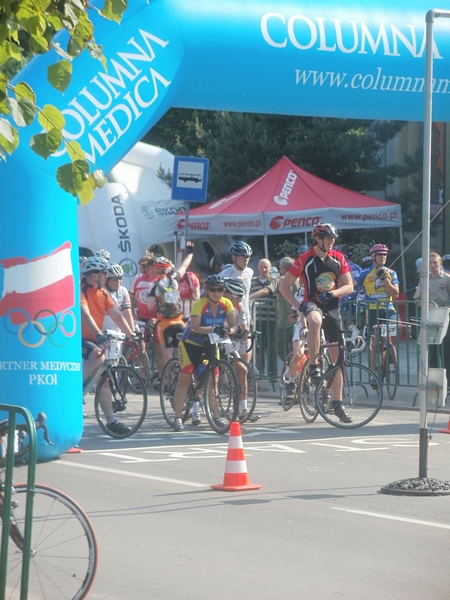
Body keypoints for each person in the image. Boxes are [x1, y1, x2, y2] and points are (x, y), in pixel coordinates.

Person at [279, 223, 354, 423]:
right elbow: (284, 286)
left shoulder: (338, 258)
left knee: (338, 359)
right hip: (312, 304)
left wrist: (333, 293)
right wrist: (298, 306)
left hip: (332, 306)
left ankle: (338, 404)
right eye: (328, 238)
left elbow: (349, 286)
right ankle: (313, 366)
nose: (332, 241)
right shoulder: (305, 259)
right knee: (314, 319)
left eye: (333, 238)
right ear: (318, 239)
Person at [171, 275, 238, 432]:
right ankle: (177, 417)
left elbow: (234, 325)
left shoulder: (226, 303)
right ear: (207, 290)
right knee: (185, 378)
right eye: (212, 290)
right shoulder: (200, 304)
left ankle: (216, 416)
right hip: (191, 343)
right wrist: (215, 329)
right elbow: (195, 327)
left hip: (211, 345)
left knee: (213, 380)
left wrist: (230, 331)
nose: (216, 293)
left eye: (220, 290)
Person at [80, 256, 137, 435]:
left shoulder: (103, 293)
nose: (106, 276)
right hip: (79, 339)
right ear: (93, 275)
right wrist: (98, 334)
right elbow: (85, 314)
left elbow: (116, 314)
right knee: (98, 355)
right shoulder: (81, 291)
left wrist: (131, 334)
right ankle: (73, 391)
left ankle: (111, 421)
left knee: (105, 381)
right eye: (104, 273)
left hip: (94, 338)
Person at [147, 252, 196, 384]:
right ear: (168, 268)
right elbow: (184, 265)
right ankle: (185, 380)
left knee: (167, 356)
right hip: (180, 322)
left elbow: (150, 306)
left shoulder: (154, 286)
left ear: (156, 269)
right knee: (180, 354)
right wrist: (190, 253)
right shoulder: (174, 280)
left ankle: (171, 383)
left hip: (164, 325)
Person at [354, 243, 400, 374]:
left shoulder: (391, 273)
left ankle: (388, 348)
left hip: (388, 308)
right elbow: (351, 284)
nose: (383, 257)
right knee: (374, 343)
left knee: (397, 324)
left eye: (385, 254)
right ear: (373, 256)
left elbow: (395, 294)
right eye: (380, 254)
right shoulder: (365, 272)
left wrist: (385, 279)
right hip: (373, 310)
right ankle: (373, 372)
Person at [223, 277, 260, 421]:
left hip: (232, 337)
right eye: (237, 297)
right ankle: (211, 408)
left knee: (242, 370)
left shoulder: (239, 306)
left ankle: (243, 409)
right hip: (218, 336)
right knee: (215, 371)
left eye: (240, 297)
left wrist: (245, 334)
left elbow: (244, 327)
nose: (239, 300)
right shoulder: (218, 305)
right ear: (228, 294)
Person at [414, 253, 450, 380]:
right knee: (431, 353)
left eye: (435, 262)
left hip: (445, 318)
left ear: (440, 263)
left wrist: (443, 306)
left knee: (446, 351)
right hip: (430, 319)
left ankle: (448, 383)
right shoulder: (424, 280)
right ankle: (432, 382)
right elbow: (417, 300)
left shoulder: (447, 278)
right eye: (430, 262)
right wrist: (426, 304)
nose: (433, 265)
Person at [249, 258, 278, 379]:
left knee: (272, 346)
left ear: (270, 267)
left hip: (272, 318)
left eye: (266, 267)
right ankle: (260, 371)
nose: (264, 269)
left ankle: (273, 373)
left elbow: (278, 295)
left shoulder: (275, 280)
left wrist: (276, 303)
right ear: (258, 268)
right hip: (256, 319)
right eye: (261, 267)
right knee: (258, 345)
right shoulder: (252, 281)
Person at [220, 241, 253, 328]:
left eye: (248, 257)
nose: (246, 260)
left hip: (245, 315)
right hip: (229, 315)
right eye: (242, 257)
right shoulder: (224, 274)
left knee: (247, 336)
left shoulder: (250, 272)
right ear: (233, 257)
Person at [102, 263, 135, 332]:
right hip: (103, 330)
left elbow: (128, 313)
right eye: (114, 279)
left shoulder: (123, 291)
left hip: (118, 331)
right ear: (106, 279)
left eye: (120, 278)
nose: (118, 282)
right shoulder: (100, 290)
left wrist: (133, 333)